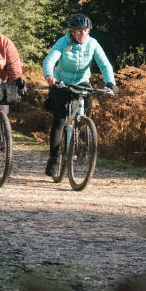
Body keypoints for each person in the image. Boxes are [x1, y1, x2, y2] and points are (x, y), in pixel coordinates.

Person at [42, 13, 116, 177]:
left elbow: (105, 64)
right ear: (72, 31)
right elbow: (49, 60)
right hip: (61, 82)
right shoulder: (63, 42)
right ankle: (53, 159)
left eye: (86, 31)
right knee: (60, 120)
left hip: (82, 82)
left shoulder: (92, 44)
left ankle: (83, 128)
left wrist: (110, 82)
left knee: (88, 99)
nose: (83, 34)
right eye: (80, 31)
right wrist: (49, 75)